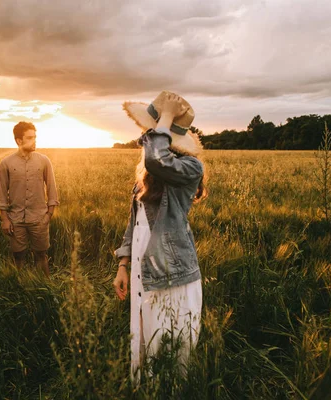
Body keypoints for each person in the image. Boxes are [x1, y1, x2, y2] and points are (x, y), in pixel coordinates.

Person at [113, 91, 207, 382]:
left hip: (171, 270)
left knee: (169, 341)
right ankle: (146, 389)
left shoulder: (191, 168)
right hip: (143, 268)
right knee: (144, 332)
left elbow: (158, 160)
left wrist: (165, 117)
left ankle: (168, 390)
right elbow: (135, 221)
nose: (148, 135)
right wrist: (123, 264)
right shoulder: (146, 174)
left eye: (152, 130)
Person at [0, 121, 59, 276]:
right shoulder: (6, 163)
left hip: (39, 218)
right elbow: (2, 194)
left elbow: (52, 189)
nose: (34, 141)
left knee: (41, 255)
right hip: (16, 219)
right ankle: (18, 288)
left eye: (35, 137)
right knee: (18, 256)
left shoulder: (44, 161)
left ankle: (46, 288)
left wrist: (48, 215)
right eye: (30, 138)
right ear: (19, 141)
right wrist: (5, 219)